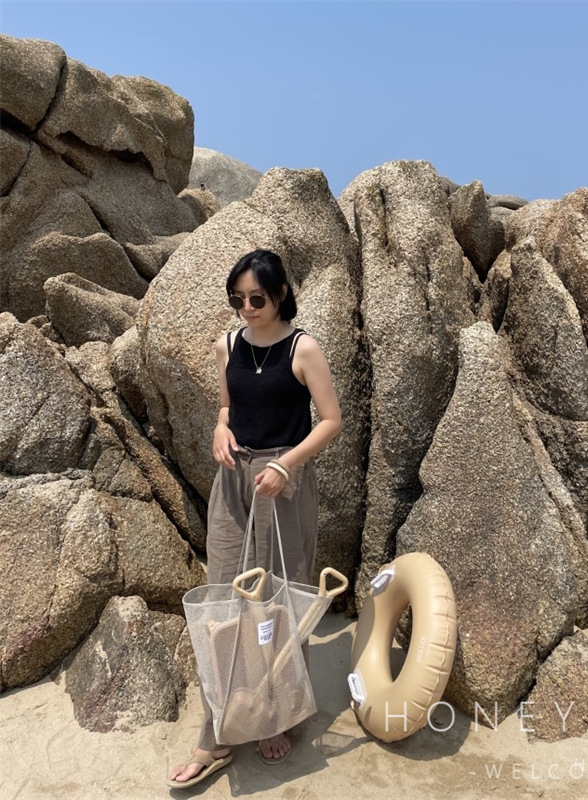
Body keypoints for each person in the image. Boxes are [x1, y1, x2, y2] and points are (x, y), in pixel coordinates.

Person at [168, 249, 342, 788]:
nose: (247, 308)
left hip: (284, 481)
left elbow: (331, 420)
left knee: (279, 596)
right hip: (234, 479)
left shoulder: (302, 347)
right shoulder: (226, 345)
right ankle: (218, 731)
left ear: (281, 293)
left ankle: (276, 713)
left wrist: (287, 466)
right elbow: (228, 408)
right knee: (223, 597)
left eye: (257, 298)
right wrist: (220, 428)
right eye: (238, 299)